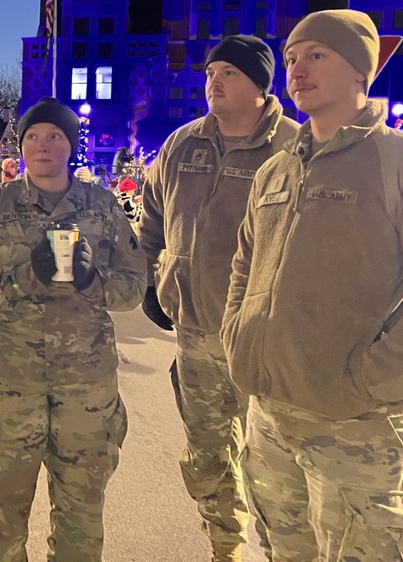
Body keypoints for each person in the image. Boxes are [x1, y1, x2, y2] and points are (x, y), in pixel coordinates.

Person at [223, 9, 403, 561]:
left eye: (317, 55)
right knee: (282, 551)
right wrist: (236, 337)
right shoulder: (276, 171)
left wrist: (370, 380)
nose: (297, 68)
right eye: (292, 58)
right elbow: (245, 263)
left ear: (360, 70)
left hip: (357, 428)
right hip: (270, 415)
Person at [0, 97, 147, 562]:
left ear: (71, 144)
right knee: (1, 512)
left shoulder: (102, 208)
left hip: (85, 389)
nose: (43, 145)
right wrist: (26, 276)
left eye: (54, 136)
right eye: (33, 137)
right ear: (21, 147)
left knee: (81, 511)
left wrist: (92, 282)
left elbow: (134, 287)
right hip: (7, 387)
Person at [137, 35, 299, 562]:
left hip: (264, 339)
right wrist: (151, 275)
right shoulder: (183, 145)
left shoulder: (293, 149)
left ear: (259, 84)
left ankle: (278, 550)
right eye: (210, 72)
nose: (214, 81)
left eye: (228, 71)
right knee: (208, 452)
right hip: (196, 333)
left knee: (274, 462)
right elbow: (153, 218)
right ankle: (224, 545)